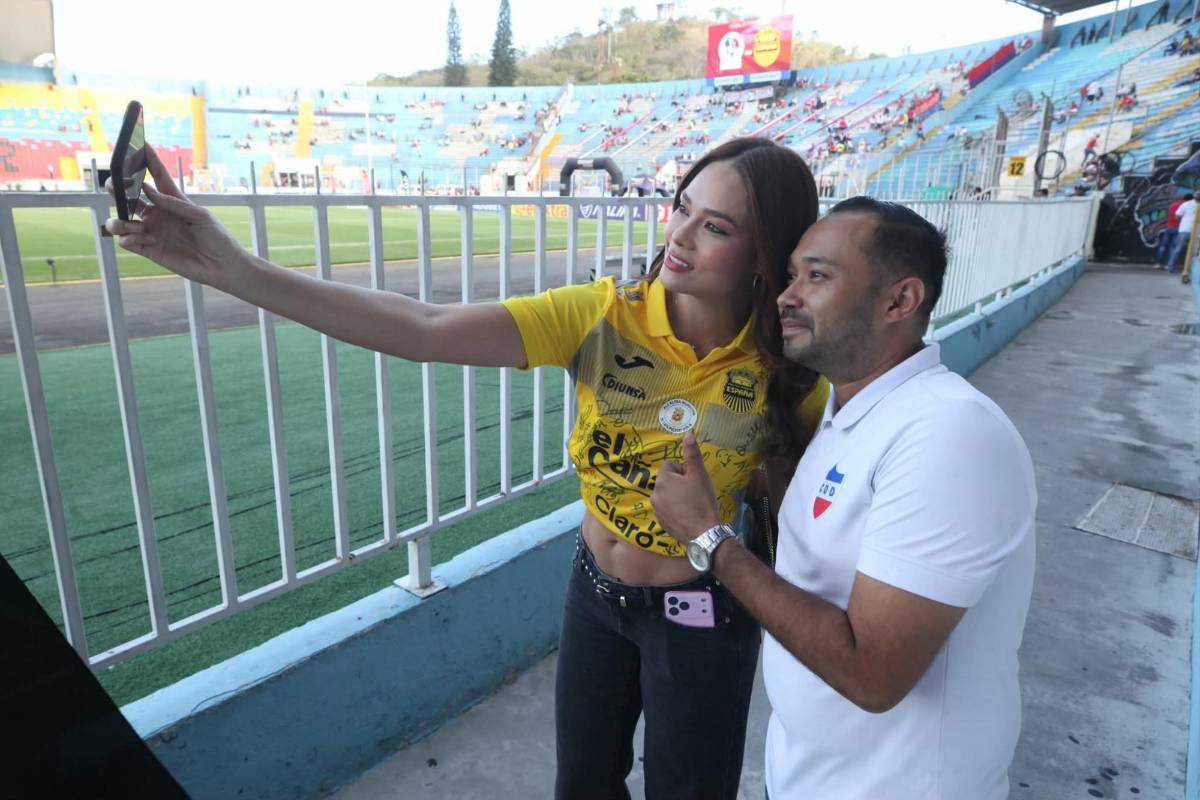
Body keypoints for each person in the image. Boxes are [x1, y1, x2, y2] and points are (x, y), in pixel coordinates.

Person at [104, 138, 829, 800]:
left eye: (716, 227)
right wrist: (239, 271)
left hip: (700, 615)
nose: (679, 235)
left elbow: (803, 523)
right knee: (582, 784)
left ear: (767, 255)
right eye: (682, 208)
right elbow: (423, 328)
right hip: (595, 597)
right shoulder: (603, 315)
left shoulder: (789, 375)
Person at [650, 197, 1037, 800]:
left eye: (818, 276)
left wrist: (709, 538)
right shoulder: (851, 411)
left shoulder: (949, 434)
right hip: (816, 776)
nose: (786, 296)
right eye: (792, 274)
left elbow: (871, 672)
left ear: (900, 301)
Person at [1167, 189, 1200, 273]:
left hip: (1197, 232)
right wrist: (1186, 221)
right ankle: (1171, 267)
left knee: (1195, 251)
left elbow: (1177, 216)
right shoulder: (1186, 204)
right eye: (1197, 194)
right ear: (1194, 195)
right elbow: (1177, 216)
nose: (1198, 195)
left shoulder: (1186, 204)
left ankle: (1190, 269)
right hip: (1185, 230)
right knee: (1178, 248)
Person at [1156, 194, 1185, 270]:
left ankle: (1158, 263)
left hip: (1169, 227)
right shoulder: (1184, 206)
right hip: (1178, 228)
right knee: (1173, 247)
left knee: (1163, 246)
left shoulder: (1172, 205)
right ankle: (1168, 264)